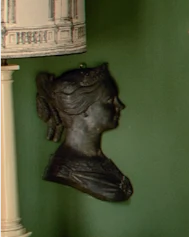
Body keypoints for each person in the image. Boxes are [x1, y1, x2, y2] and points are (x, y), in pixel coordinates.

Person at [35, 64, 133, 202]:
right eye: (110, 100)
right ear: (84, 109)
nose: (120, 106)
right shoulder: (67, 170)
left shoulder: (97, 161)